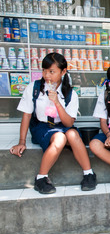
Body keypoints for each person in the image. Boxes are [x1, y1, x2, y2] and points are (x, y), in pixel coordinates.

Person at [10, 52, 97, 194]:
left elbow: (68, 123)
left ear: (63, 72)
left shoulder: (70, 94)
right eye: (44, 70)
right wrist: (21, 141)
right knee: (60, 137)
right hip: (42, 127)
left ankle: (89, 174)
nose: (47, 75)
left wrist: (57, 102)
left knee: (73, 134)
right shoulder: (34, 88)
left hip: (63, 125)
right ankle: (41, 178)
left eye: (51, 71)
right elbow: (26, 115)